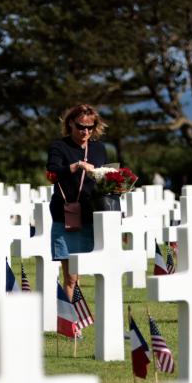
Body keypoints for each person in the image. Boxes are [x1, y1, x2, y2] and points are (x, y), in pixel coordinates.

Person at [47, 104, 109, 299]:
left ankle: (76, 317)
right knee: (71, 277)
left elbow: (104, 178)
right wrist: (76, 166)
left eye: (90, 127)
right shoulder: (59, 146)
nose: (85, 131)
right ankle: (70, 324)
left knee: (80, 273)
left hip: (90, 214)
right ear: (70, 124)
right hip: (65, 213)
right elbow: (52, 173)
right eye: (81, 126)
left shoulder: (99, 148)